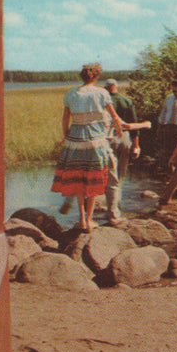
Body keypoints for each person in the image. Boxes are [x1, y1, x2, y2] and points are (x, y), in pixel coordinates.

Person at [52, 63, 126, 232]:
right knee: (93, 178)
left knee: (78, 179)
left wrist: (66, 137)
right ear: (96, 76)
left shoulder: (71, 93)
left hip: (75, 139)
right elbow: (114, 117)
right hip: (95, 139)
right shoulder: (102, 92)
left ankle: (82, 220)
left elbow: (65, 120)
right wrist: (120, 131)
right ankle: (89, 220)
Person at [104, 78, 140, 226]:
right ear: (117, 87)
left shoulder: (103, 102)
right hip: (124, 136)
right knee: (121, 174)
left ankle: (112, 209)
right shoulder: (126, 101)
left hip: (107, 138)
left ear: (106, 88)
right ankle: (116, 208)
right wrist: (136, 145)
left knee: (110, 175)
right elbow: (134, 125)